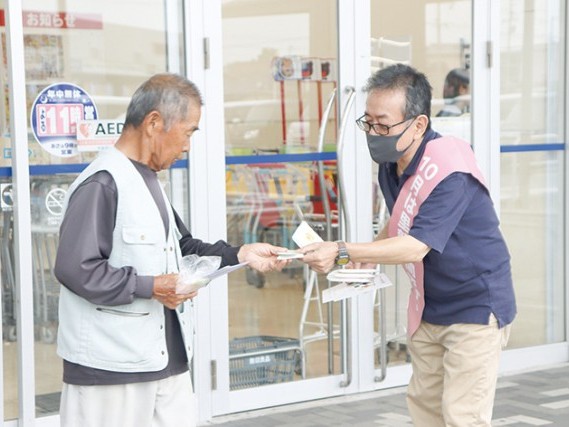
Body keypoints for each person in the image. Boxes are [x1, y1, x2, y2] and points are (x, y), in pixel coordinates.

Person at [54, 73, 288, 427]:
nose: (188, 146)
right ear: (154, 123)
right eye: (188, 132)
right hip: (112, 369)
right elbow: (76, 268)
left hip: (164, 361)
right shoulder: (103, 183)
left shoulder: (148, 179)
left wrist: (241, 254)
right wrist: (151, 286)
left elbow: (181, 248)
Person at [300, 64, 516, 426]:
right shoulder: (393, 162)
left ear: (418, 124)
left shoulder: (450, 169)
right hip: (430, 304)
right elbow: (401, 218)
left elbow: (417, 245)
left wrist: (344, 250)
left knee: (462, 415)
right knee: (425, 408)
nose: (373, 133)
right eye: (368, 123)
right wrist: (370, 253)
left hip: (475, 305)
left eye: (383, 125)